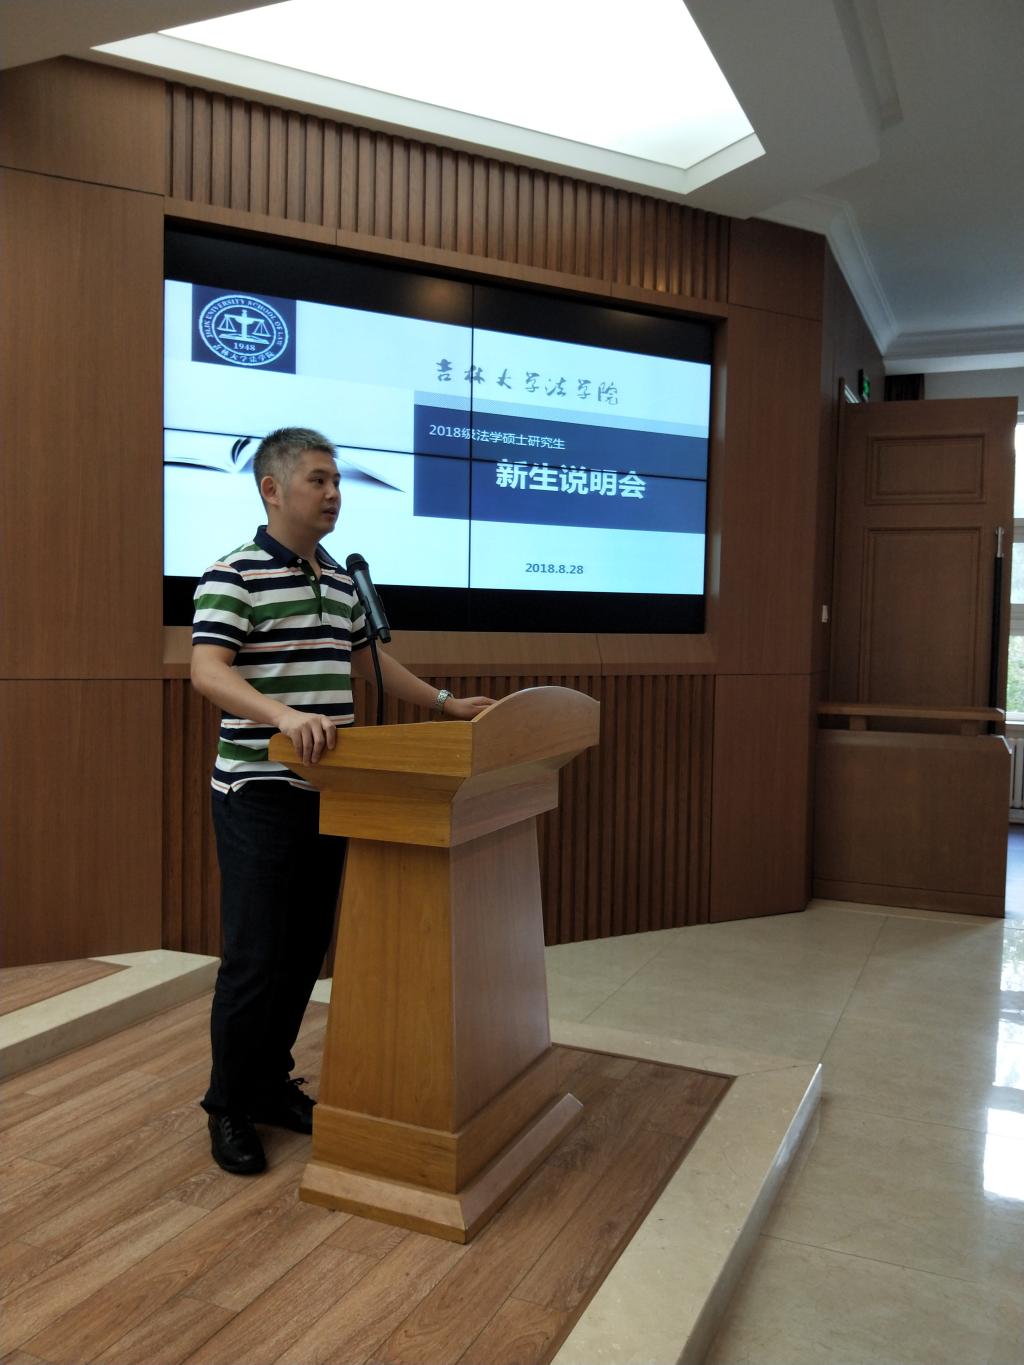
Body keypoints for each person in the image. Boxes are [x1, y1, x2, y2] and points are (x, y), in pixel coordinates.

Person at [191, 426, 494, 1175]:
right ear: (272, 489)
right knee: (256, 955)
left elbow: (370, 664)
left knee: (303, 951)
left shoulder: (338, 577)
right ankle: (227, 1104)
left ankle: (269, 1083)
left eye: (337, 482)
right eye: (318, 480)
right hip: (258, 789)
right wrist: (282, 715)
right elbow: (207, 670)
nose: (333, 494)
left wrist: (447, 703)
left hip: (333, 793)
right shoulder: (233, 573)